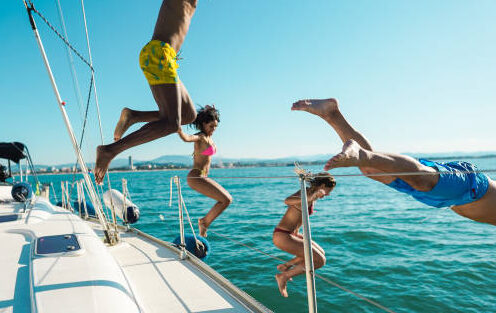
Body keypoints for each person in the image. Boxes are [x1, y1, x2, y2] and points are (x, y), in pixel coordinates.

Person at [292, 98, 496, 226]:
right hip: (473, 188)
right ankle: (362, 155)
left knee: (373, 170)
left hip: (456, 197)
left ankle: (332, 115)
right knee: (422, 180)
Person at [94, 0, 199, 184]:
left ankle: (133, 116)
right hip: (159, 54)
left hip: (166, 57)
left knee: (189, 115)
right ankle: (109, 150)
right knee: (172, 123)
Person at [273, 172, 336, 298]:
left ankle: (286, 266)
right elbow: (287, 201)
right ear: (322, 185)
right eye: (328, 190)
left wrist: (297, 232)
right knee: (319, 261)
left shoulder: (311, 195)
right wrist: (310, 198)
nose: (328, 194)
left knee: (321, 253)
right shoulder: (306, 193)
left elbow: (299, 216)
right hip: (283, 236)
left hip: (290, 234)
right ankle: (283, 276)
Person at [177, 105, 232, 237]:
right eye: (211, 126)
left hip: (203, 177)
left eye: (215, 127)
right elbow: (187, 138)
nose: (213, 129)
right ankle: (204, 223)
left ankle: (204, 222)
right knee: (226, 200)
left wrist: (211, 111)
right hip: (196, 176)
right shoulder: (200, 137)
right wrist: (179, 130)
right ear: (203, 124)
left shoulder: (209, 139)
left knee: (227, 199)